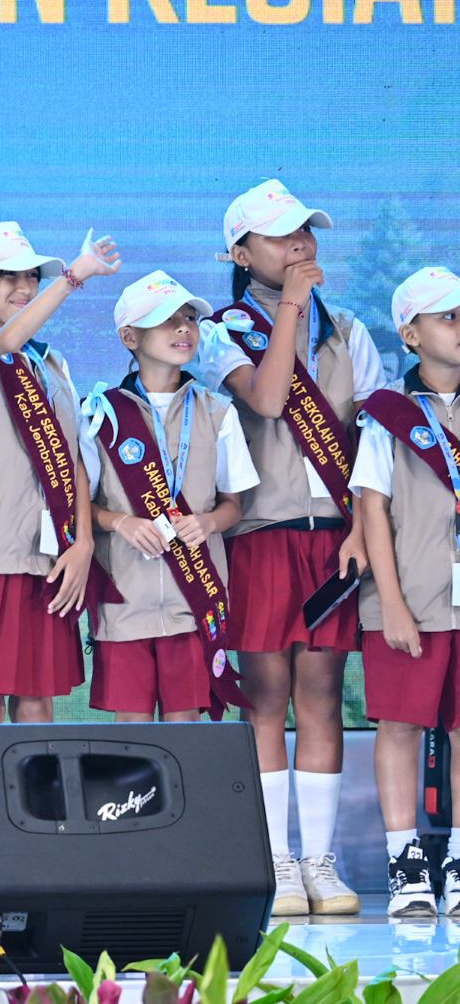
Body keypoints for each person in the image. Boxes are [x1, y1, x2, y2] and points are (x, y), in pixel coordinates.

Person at [193, 180, 378, 917]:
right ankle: (273, 861)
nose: (300, 245)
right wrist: (292, 309)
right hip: (261, 538)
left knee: (323, 696)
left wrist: (365, 527)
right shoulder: (220, 327)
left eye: (306, 232)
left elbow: (371, 443)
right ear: (240, 253)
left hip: (333, 537)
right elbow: (268, 400)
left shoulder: (349, 331)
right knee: (265, 697)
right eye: (279, 236)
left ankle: (321, 862)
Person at [0, 221, 119, 724]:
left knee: (40, 696)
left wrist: (82, 544)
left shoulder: (51, 362)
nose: (24, 287)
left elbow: (74, 460)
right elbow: (8, 337)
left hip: (51, 554)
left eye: (33, 276)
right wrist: (75, 276)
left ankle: (40, 803)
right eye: (7, 276)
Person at [80, 272, 257, 723]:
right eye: (165, 320)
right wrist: (120, 522)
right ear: (128, 336)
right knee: (132, 731)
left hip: (192, 603)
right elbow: (82, 506)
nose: (182, 328)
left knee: (186, 728)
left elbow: (233, 504)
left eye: (189, 318)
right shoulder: (100, 414)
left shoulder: (218, 411)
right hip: (123, 602)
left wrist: (210, 523)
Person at [351, 267, 460, 918]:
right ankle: (405, 863)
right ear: (410, 333)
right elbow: (372, 511)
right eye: (448, 317)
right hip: (409, 598)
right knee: (399, 726)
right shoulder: (388, 415)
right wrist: (389, 601)